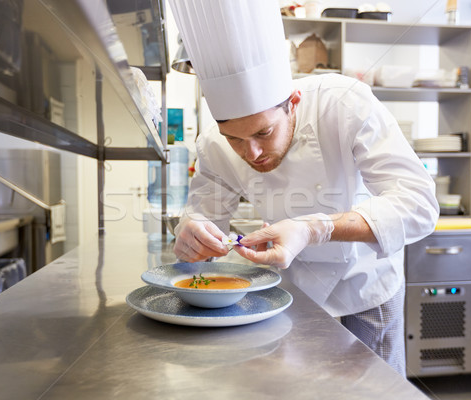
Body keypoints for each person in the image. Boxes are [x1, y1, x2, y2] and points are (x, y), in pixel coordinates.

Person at [168, 0, 439, 376]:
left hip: (365, 285)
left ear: (292, 103)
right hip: (288, 292)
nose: (253, 152)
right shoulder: (214, 142)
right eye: (236, 139)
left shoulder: (345, 103)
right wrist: (190, 234)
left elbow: (419, 205)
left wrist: (316, 228)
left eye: (264, 132)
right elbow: (202, 219)